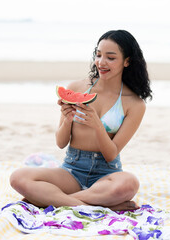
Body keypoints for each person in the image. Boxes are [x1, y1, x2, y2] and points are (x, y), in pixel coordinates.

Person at [10, 30, 152, 211]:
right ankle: (99, 206)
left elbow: (111, 154)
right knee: (18, 177)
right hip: (71, 170)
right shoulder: (77, 87)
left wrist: (97, 125)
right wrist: (68, 120)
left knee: (129, 183)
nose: (101, 62)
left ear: (127, 61)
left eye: (110, 57)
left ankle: (51, 200)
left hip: (106, 174)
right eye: (98, 55)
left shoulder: (135, 103)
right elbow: (61, 143)